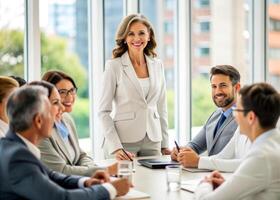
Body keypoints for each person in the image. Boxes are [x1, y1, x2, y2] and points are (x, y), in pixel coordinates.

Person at [0, 85, 130, 200]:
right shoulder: (17, 157)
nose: (57, 119)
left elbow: (52, 176)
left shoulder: (12, 146)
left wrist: (86, 182)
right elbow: (61, 197)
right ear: (38, 120)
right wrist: (111, 189)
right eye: (51, 113)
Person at [98, 14, 170, 160]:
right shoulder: (114, 66)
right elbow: (103, 112)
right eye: (131, 34)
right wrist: (115, 146)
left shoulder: (158, 65)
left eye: (142, 33)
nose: (137, 38)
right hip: (124, 141)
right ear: (124, 38)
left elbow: (162, 107)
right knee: (126, 181)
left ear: (149, 36)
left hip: (153, 140)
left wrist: (165, 143)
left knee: (153, 181)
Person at [195, 83, 280, 200]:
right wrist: (228, 186)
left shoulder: (261, 156)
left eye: (236, 110)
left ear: (250, 117)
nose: (234, 115)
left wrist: (205, 183)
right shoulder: (272, 145)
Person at [40, 71, 117, 176]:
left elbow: (81, 155)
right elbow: (61, 171)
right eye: (62, 92)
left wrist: (93, 170)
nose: (70, 96)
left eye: (72, 90)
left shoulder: (67, 119)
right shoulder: (41, 130)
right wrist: (104, 171)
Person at [171, 65, 240, 167]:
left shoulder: (244, 119)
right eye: (214, 86)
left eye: (223, 85)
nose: (218, 91)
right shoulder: (215, 115)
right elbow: (195, 145)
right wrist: (182, 152)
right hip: (210, 177)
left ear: (237, 87)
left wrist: (198, 161)